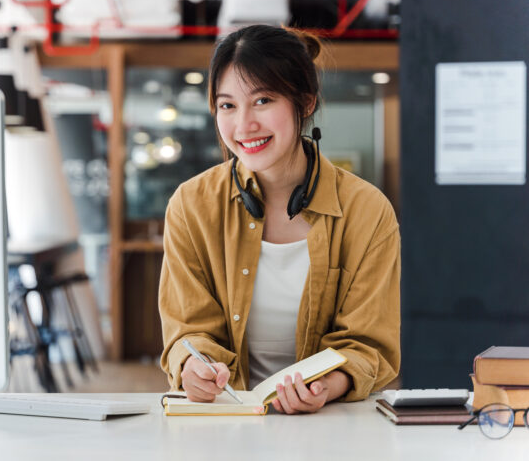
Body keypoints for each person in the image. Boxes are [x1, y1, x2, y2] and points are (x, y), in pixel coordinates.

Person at [159, 24, 400, 414]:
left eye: (263, 100)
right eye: (227, 105)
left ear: (304, 103)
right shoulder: (192, 205)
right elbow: (189, 329)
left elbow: (369, 344)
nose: (243, 125)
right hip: (226, 419)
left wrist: (327, 385)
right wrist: (193, 367)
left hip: (329, 424)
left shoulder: (367, 211)